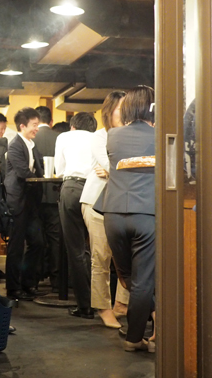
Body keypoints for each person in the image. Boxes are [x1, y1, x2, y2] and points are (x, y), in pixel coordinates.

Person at [101, 85, 156, 353]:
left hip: (113, 215)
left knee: (128, 277)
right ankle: (135, 337)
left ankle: (150, 323)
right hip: (146, 214)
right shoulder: (161, 136)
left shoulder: (113, 136)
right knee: (143, 280)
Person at [80, 91, 128, 329]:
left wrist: (115, 170)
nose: (125, 112)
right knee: (101, 257)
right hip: (96, 201)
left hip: (122, 202)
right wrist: (116, 169)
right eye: (121, 108)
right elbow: (114, 165)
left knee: (126, 256)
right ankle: (103, 308)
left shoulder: (131, 134)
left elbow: (119, 168)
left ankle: (122, 304)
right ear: (109, 111)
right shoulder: (100, 136)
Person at [54, 112, 97, 319]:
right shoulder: (98, 138)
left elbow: (59, 169)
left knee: (76, 249)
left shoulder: (64, 137)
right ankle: (102, 303)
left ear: (72, 126)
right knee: (98, 249)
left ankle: (85, 306)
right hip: (95, 189)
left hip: (71, 188)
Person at [4, 107, 45, 301]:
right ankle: (13, 288)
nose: (37, 128)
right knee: (16, 246)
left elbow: (39, 169)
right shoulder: (14, 145)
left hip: (31, 201)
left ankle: (28, 283)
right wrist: (40, 179)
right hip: (17, 200)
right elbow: (22, 172)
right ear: (22, 126)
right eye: (34, 125)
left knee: (37, 242)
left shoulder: (32, 145)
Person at [33, 105, 61, 291]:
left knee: (34, 240)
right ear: (51, 121)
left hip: (34, 196)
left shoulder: (31, 137)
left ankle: (33, 280)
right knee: (55, 239)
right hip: (54, 194)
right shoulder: (59, 137)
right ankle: (57, 281)